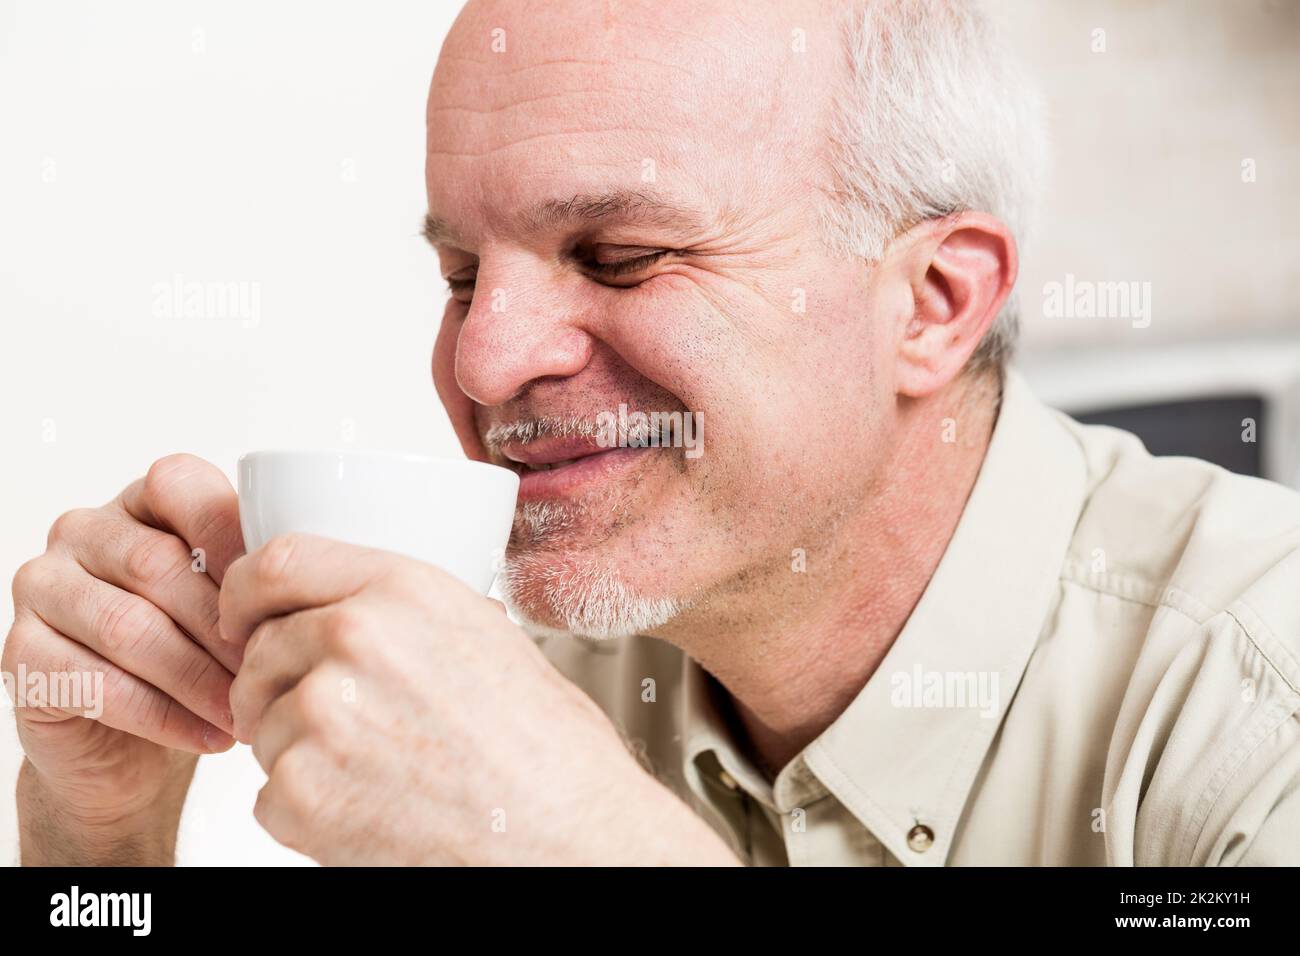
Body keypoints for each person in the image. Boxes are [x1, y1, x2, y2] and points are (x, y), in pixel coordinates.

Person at [7, 0, 1299, 866]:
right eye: (461, 277)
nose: (482, 357)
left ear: (934, 305)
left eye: (620, 256)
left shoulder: (1255, 713)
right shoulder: (523, 672)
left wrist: (592, 840)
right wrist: (98, 838)